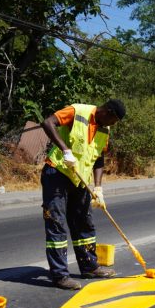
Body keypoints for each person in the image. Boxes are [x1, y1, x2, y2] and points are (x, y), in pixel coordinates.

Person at [40, 99, 126, 290]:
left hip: (80, 179)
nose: (113, 125)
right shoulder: (78, 111)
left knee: (84, 222)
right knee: (57, 224)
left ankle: (89, 266)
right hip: (58, 173)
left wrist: (98, 188)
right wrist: (65, 149)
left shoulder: (105, 129)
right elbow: (47, 123)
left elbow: (99, 159)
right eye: (113, 120)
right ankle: (60, 275)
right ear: (107, 111)